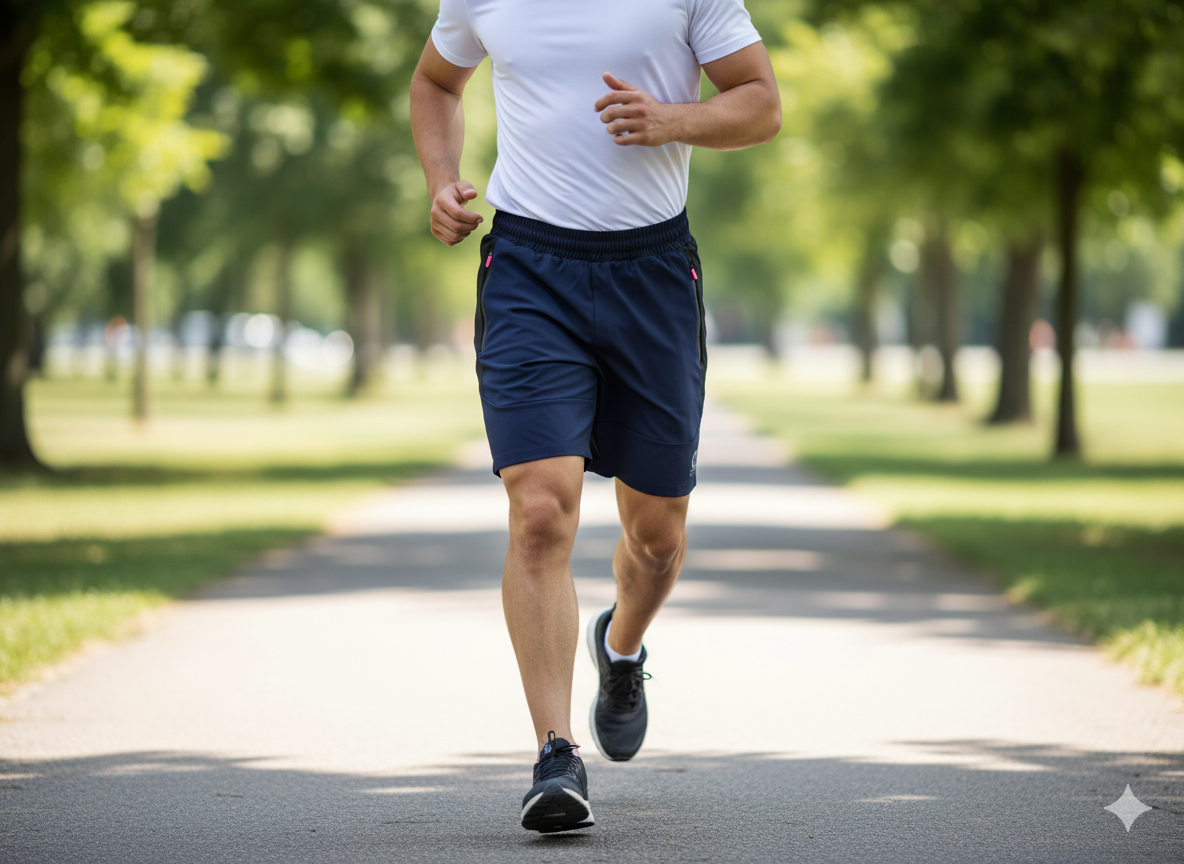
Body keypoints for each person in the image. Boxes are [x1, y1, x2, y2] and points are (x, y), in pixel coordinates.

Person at [410, 0, 781, 833]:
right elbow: (435, 83)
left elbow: (762, 102)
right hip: (529, 270)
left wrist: (673, 119)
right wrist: (440, 177)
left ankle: (621, 646)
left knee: (658, 537)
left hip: (652, 271)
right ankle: (555, 752)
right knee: (540, 511)